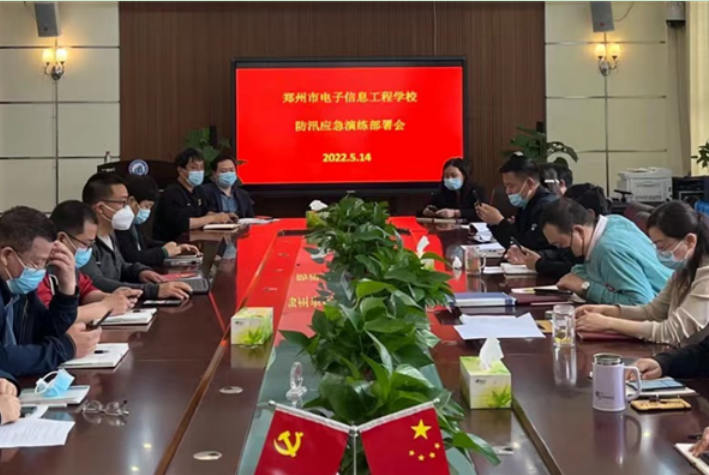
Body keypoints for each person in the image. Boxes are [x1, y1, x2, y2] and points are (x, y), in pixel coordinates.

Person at [575, 201, 709, 344]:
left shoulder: (706, 276)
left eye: (662, 247)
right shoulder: (684, 269)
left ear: (690, 241)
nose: (659, 254)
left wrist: (608, 323)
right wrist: (606, 311)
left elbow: (671, 332)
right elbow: (653, 312)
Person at [0, 206, 100, 376]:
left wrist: (67, 288)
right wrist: (66, 348)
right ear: (6, 255)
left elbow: (48, 331)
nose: (41, 271)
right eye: (37, 262)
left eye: (46, 262)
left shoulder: (21, 291)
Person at [80, 173, 192, 301]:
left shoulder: (110, 233)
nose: (128, 208)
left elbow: (121, 266)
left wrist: (140, 272)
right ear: (101, 208)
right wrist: (152, 290)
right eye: (123, 203)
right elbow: (96, 283)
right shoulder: (83, 242)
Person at [540, 198, 671, 306]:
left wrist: (585, 287)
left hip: (669, 316)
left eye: (561, 244)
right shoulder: (613, 221)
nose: (561, 250)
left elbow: (641, 303)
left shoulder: (608, 250)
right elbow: (581, 270)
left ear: (579, 231)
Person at [37, 200, 142, 322]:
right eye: (86, 244)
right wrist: (104, 307)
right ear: (62, 238)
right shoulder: (37, 271)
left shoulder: (69, 267)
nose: (89, 250)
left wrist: (112, 298)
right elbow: (50, 317)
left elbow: (87, 291)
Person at [507, 183, 608, 279]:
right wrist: (539, 256)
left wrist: (541, 265)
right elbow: (562, 253)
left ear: (589, 214)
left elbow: (578, 269)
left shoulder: (605, 248)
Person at [476, 154, 557, 250]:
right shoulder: (526, 203)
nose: (507, 192)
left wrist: (500, 221)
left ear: (530, 183)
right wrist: (493, 222)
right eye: (505, 186)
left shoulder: (546, 207)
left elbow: (528, 247)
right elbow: (511, 241)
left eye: (511, 186)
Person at [115, 175, 200, 267]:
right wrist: (163, 252)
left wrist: (176, 246)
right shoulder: (120, 225)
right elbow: (130, 257)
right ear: (132, 201)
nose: (148, 211)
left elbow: (146, 242)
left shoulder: (133, 223)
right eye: (146, 206)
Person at [153, 148, 235, 242]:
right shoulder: (172, 192)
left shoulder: (198, 190)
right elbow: (184, 223)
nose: (199, 171)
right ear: (181, 170)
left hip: (195, 241)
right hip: (173, 243)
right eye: (194, 168)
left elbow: (205, 213)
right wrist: (213, 218)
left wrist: (222, 216)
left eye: (201, 168)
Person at [421, 158, 487, 221]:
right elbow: (424, 207)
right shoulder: (442, 190)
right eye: (446, 176)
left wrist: (456, 213)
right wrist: (425, 211)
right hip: (447, 227)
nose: (450, 179)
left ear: (464, 176)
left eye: (454, 175)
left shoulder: (476, 190)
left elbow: (484, 212)